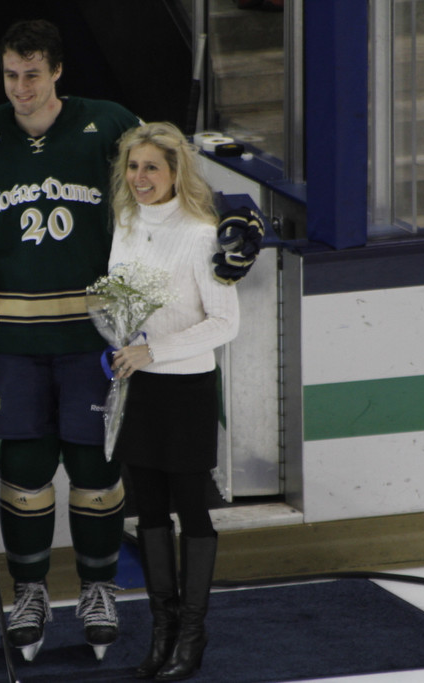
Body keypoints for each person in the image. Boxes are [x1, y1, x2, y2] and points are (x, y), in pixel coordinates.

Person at [0, 18, 141, 662]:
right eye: (11, 75)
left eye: (33, 75)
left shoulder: (110, 124)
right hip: (14, 336)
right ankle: (29, 592)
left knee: (95, 467)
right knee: (25, 470)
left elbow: (152, 202)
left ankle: (98, 589)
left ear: (58, 72)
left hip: (94, 334)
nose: (21, 88)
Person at [107, 122, 239, 680]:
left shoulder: (203, 233)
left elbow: (226, 323)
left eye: (151, 168)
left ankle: (192, 633)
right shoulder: (127, 221)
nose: (140, 178)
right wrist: (118, 340)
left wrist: (153, 351)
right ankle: (162, 632)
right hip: (138, 387)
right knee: (150, 510)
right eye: (133, 167)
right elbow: (119, 298)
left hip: (184, 390)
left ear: (175, 171)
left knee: (191, 508)